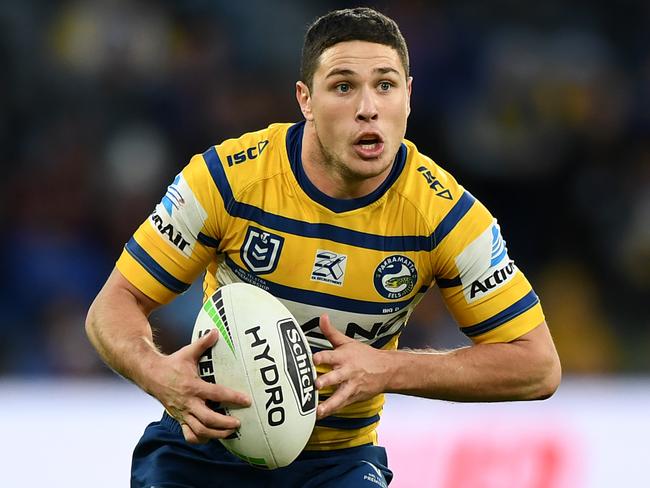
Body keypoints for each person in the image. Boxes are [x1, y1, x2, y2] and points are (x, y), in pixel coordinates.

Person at [86, 7, 561, 487]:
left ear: (409, 96)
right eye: (343, 86)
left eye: (385, 85)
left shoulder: (446, 217)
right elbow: (113, 304)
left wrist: (389, 368)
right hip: (206, 446)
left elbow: (537, 366)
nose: (368, 107)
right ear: (305, 100)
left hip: (338, 464)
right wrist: (158, 374)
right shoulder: (227, 179)